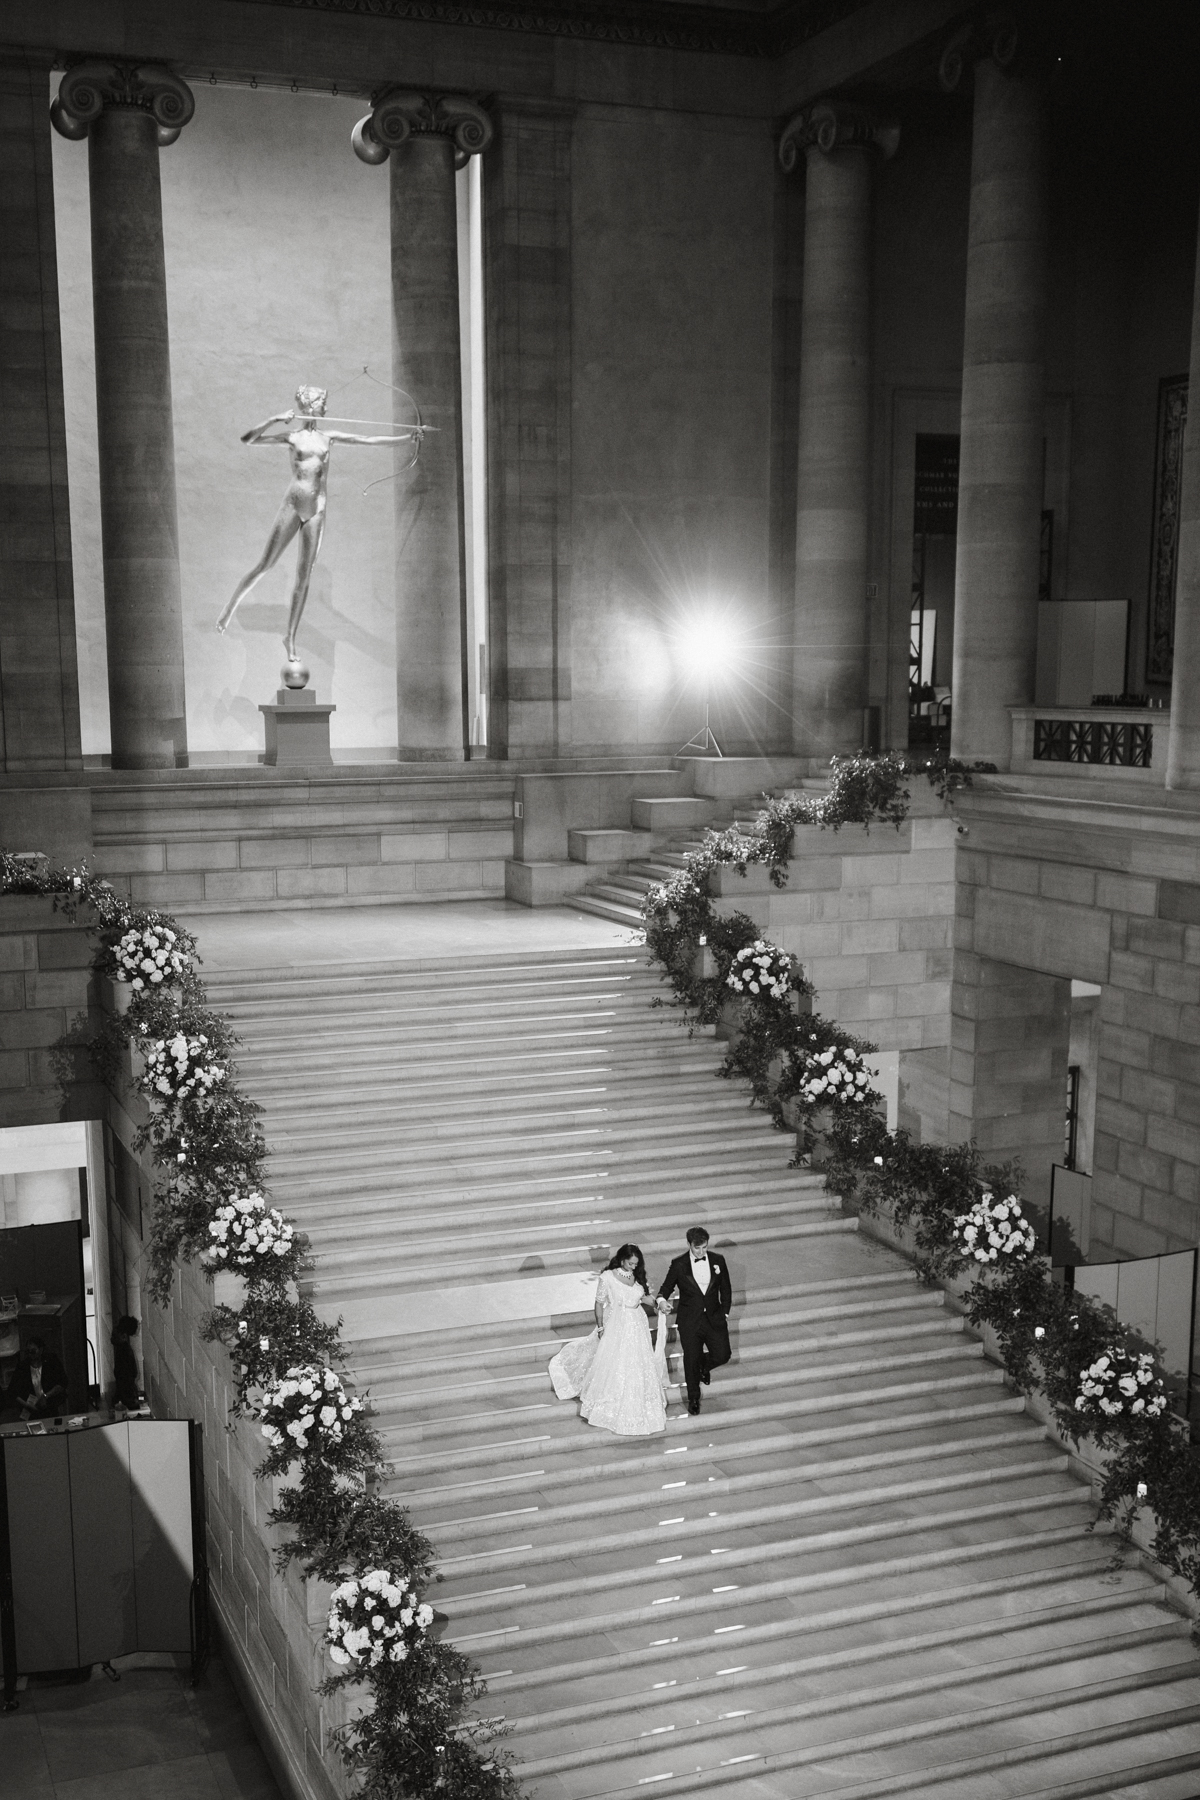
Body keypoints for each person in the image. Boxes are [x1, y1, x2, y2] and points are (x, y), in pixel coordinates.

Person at [216, 385, 423, 664]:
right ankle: (229, 608)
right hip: (293, 503)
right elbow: (248, 439)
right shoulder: (293, 437)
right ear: (309, 405)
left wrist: (408, 437)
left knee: (304, 576)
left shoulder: (329, 437)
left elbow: (369, 439)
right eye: (320, 402)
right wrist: (275, 419)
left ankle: (290, 638)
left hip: (317, 509)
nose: (323, 407)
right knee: (265, 564)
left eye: (323, 402)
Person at [548, 1244, 669, 1435]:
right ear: (622, 1260)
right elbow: (598, 1303)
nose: (633, 1267)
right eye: (631, 1263)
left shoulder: (636, 1276)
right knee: (617, 1362)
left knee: (637, 1363)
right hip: (617, 1325)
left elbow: (643, 1296)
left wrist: (659, 1304)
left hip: (637, 1325)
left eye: (636, 1264)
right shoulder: (608, 1278)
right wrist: (601, 1326)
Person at [656, 1227, 733, 1415]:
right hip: (690, 1321)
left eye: (704, 1248)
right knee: (691, 1359)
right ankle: (694, 1398)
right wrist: (661, 1300)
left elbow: (726, 1289)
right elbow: (666, 1287)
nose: (701, 1252)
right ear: (689, 1244)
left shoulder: (718, 1261)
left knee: (723, 1354)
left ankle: (703, 1366)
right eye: (697, 1248)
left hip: (714, 1319)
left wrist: (724, 1313)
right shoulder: (679, 1264)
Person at [13, 1337, 69, 1421]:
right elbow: (13, 1391)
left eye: (33, 1351)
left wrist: (46, 1396)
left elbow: (63, 1382)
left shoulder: (51, 1361)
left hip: (50, 1405)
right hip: (29, 1407)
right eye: (28, 1351)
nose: (30, 1354)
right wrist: (26, 1405)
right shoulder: (22, 1366)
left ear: (41, 1350)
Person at [112, 1315, 141, 1411]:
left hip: (125, 1390)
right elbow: (127, 1373)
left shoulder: (121, 1345)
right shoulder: (124, 1348)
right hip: (127, 1392)